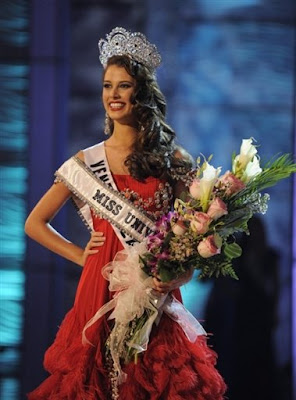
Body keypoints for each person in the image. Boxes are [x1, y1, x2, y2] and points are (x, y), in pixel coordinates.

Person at [25, 27, 226, 399]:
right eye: (107, 86)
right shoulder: (86, 162)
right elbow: (34, 223)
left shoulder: (173, 160)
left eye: (124, 85)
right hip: (100, 286)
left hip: (155, 289)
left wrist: (180, 273)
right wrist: (79, 254)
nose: (113, 95)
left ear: (142, 92)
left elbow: (195, 235)